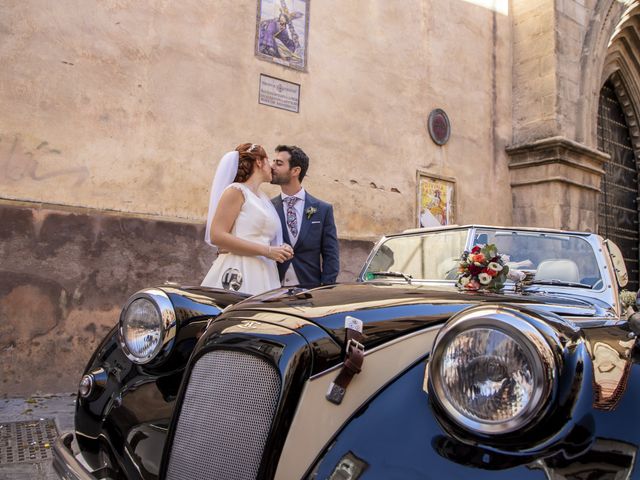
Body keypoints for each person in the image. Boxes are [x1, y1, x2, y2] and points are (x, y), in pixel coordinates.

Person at [201, 143, 293, 295]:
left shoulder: (262, 198)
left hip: (266, 272)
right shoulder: (236, 191)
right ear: (259, 161)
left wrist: (281, 248)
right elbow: (217, 235)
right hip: (239, 270)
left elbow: (261, 235)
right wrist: (267, 251)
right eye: (268, 160)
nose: (271, 166)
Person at [270, 145, 339, 288]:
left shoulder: (322, 209)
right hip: (272, 288)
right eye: (273, 162)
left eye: (279, 163)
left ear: (295, 171)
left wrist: (325, 289)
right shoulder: (268, 207)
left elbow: (331, 254)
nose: (272, 167)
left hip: (309, 291)